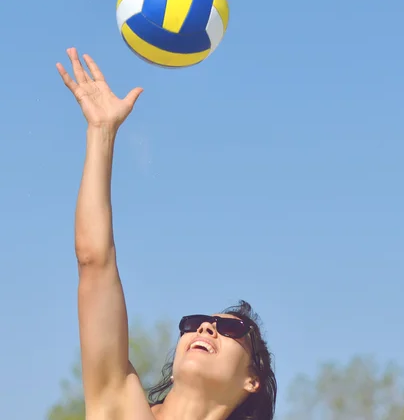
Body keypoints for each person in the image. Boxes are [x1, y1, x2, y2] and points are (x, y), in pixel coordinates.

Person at [56, 48, 277, 420]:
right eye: (192, 324)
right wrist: (101, 132)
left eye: (231, 328)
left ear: (252, 379)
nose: (206, 327)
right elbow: (94, 263)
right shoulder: (120, 408)